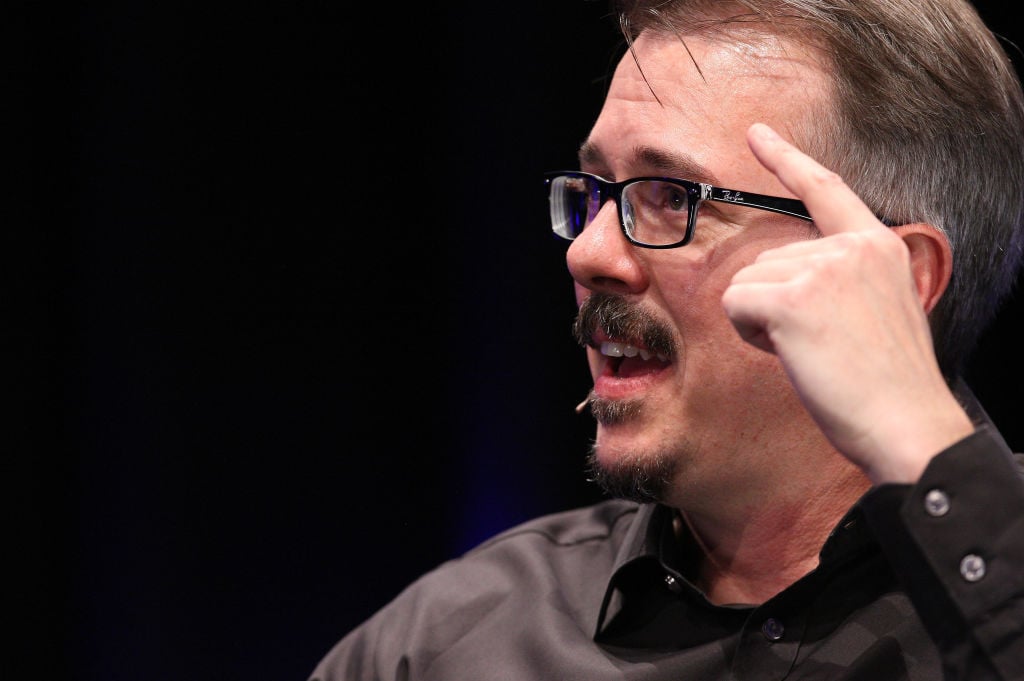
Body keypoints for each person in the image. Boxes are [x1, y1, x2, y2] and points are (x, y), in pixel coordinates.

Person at [309, 0, 1024, 678]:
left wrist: (924, 444)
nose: (588, 254)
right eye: (596, 190)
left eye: (673, 197)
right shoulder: (444, 643)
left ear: (900, 278)